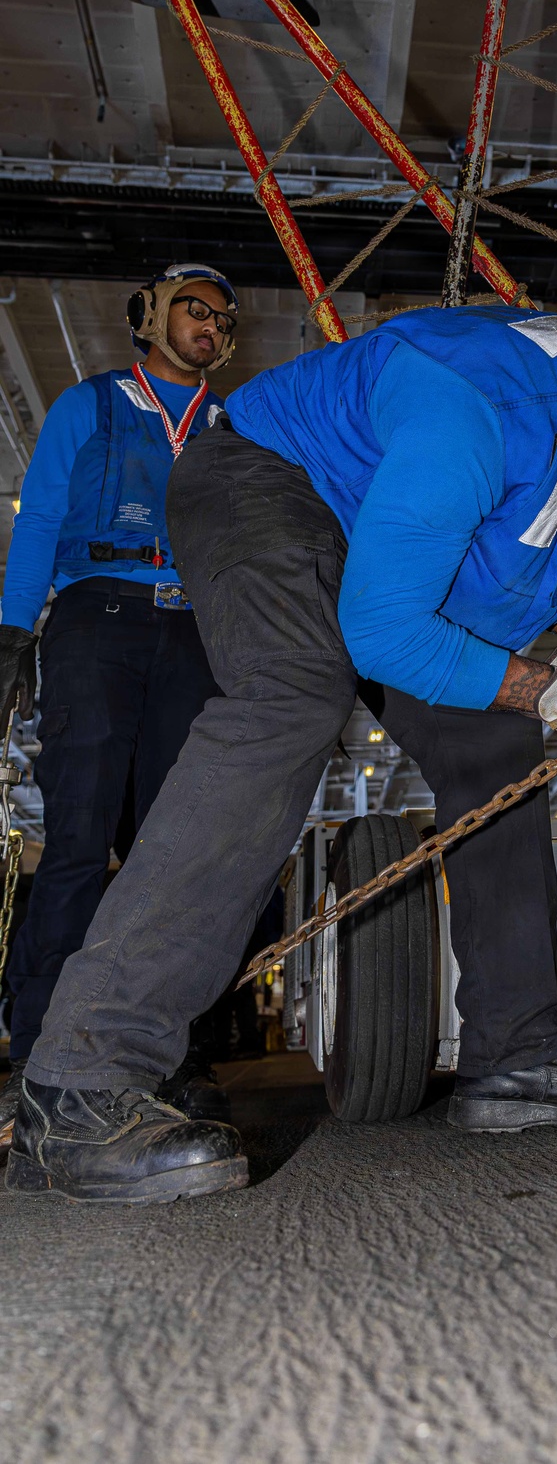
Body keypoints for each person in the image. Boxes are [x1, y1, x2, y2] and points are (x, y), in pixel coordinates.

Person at [4, 278, 557, 1203]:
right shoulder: (477, 407)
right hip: (270, 486)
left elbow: (498, 583)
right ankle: (81, 1078)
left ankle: (521, 1054)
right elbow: (382, 633)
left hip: (389, 541)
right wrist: (553, 687)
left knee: (496, 750)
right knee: (294, 694)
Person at [0, 263, 240, 1150]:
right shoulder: (89, 406)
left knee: (171, 851)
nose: (210, 325)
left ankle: (170, 1057)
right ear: (148, 318)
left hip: (197, 631)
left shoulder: (233, 424)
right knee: (79, 842)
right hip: (98, 616)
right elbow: (37, 523)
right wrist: (12, 635)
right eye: (193, 310)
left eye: (222, 317)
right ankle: (36, 1054)